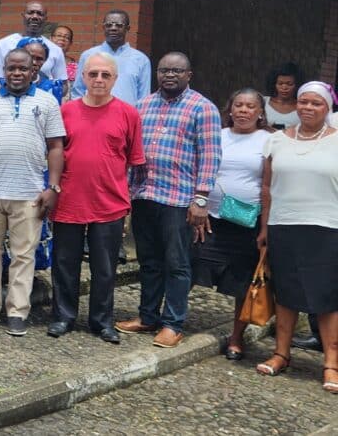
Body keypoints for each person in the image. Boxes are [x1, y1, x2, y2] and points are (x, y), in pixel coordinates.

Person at [116, 52, 221, 349]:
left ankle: (172, 324)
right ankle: (147, 316)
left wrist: (201, 199)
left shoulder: (203, 108)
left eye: (177, 71)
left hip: (179, 199)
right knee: (149, 261)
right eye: (164, 70)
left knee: (177, 263)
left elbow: (211, 156)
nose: (169, 75)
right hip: (144, 194)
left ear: (189, 75)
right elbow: (131, 151)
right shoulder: (143, 105)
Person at [0, 48, 64, 336]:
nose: (16, 73)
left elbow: (56, 147)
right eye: (11, 68)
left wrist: (53, 186)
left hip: (29, 192)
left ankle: (18, 310)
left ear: (34, 71)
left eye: (22, 69)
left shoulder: (47, 102)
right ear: (3, 70)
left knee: (23, 254)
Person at [48, 53, 144, 343]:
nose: (99, 79)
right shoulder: (66, 111)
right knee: (65, 264)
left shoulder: (129, 114)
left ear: (115, 79)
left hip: (109, 202)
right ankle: (63, 316)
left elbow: (133, 158)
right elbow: (53, 153)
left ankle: (102, 321)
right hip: (69, 200)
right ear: (83, 78)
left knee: (105, 268)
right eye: (93, 74)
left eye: (105, 75)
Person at [255, 81, 338, 394]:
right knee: (285, 294)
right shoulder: (277, 140)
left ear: (327, 107)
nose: (308, 108)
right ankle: (281, 353)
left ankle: (331, 362)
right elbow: (266, 188)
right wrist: (264, 228)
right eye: (303, 102)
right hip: (284, 226)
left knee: (328, 298)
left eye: (316, 103)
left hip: (329, 227)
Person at [189, 88, 268, 361]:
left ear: (260, 113)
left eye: (250, 106)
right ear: (230, 109)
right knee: (188, 267)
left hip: (247, 223)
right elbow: (199, 169)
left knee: (242, 282)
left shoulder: (269, 141)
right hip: (208, 220)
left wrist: (266, 227)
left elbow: (270, 185)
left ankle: (236, 338)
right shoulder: (217, 135)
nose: (244, 111)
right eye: (239, 105)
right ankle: (172, 322)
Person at [71, 10, 151, 104]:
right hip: (92, 115)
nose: (113, 28)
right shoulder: (88, 55)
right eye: (109, 25)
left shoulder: (141, 59)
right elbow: (78, 92)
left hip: (126, 117)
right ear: (103, 27)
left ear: (127, 28)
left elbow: (144, 97)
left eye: (119, 25)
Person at [0, 1, 67, 88]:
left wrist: (48, 89)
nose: (35, 16)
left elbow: (62, 85)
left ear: (45, 18)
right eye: (30, 13)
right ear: (23, 15)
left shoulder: (55, 50)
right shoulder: (3, 44)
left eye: (40, 14)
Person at [18, 37, 64, 103]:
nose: (34, 62)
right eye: (30, 57)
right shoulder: (7, 85)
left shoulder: (51, 88)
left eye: (39, 59)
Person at [263, 62, 303, 129]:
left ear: (297, 85)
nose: (284, 88)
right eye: (280, 83)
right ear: (274, 84)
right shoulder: (262, 102)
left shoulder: (303, 106)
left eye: (289, 84)